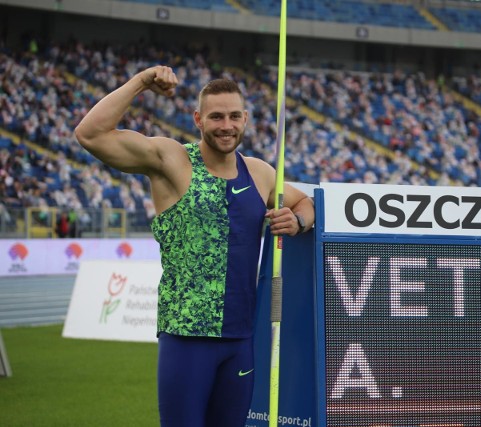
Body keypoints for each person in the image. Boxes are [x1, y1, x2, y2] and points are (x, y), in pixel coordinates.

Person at [74, 65, 315, 427]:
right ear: (198, 119)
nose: (226, 125)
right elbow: (90, 134)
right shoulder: (172, 161)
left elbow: (305, 203)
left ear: (246, 119)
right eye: (216, 117)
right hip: (187, 338)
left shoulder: (259, 172)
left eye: (235, 116)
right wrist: (141, 82)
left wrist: (297, 222)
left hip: (240, 338)